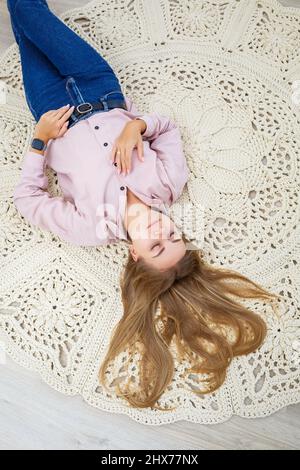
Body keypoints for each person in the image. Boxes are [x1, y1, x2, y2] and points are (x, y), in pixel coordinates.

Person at [7, 0, 281, 409]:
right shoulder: (168, 185)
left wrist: (40, 140)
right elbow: (166, 128)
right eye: (172, 234)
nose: (161, 229)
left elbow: (28, 200)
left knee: (24, 24)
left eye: (155, 245)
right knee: (33, 17)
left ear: (134, 254)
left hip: (50, 109)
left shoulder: (90, 228)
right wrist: (136, 126)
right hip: (99, 84)